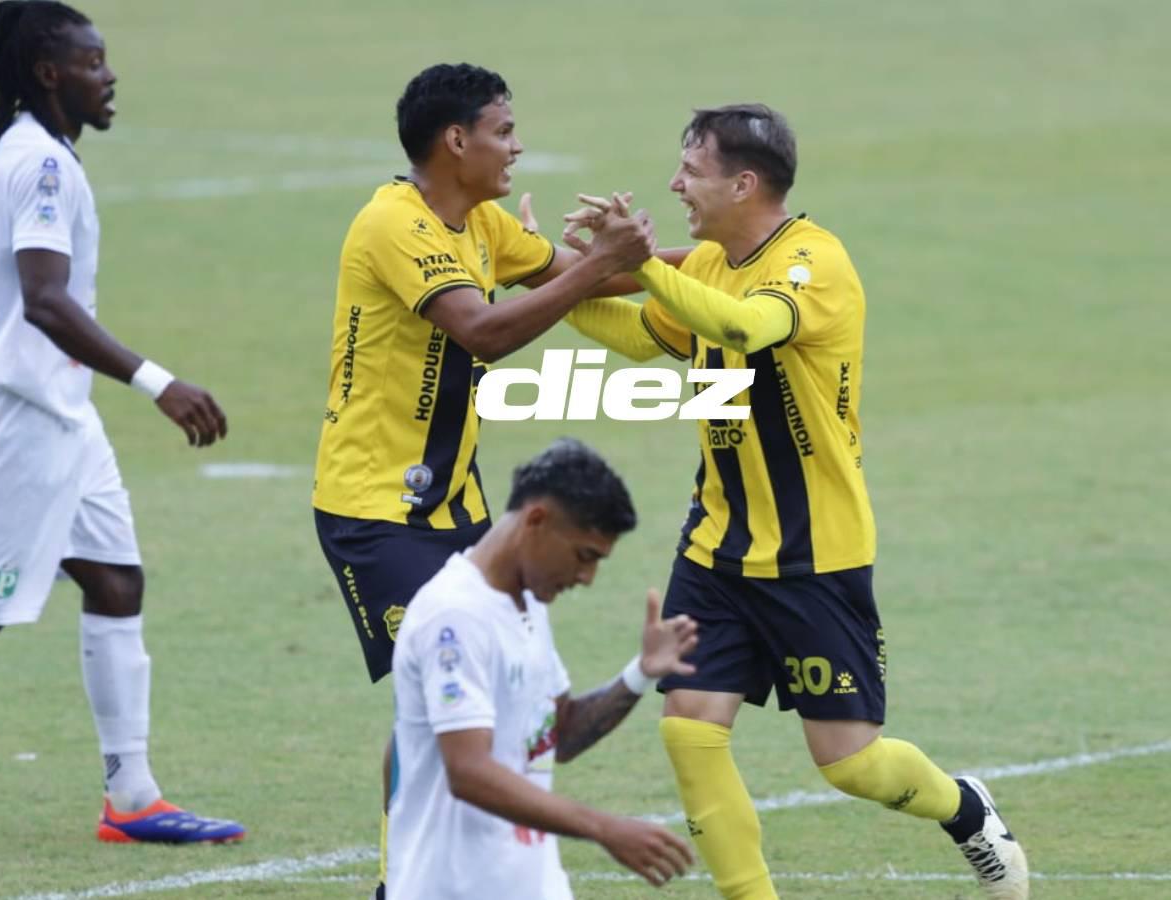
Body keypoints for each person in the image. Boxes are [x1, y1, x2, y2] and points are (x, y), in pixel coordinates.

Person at [561, 105, 1029, 899]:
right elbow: (643, 335)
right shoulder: (709, 263)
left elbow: (748, 327)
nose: (674, 184)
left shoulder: (816, 263)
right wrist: (548, 287)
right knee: (689, 731)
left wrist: (640, 261)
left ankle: (965, 808)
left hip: (816, 553)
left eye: (691, 170)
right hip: (716, 546)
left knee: (850, 763)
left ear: (744, 184)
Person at [310, 62, 684, 892]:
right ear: (456, 140)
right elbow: (481, 331)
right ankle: (402, 881)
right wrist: (598, 262)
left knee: (472, 701)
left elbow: (602, 275)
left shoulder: (479, 222)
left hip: (454, 502)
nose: (516, 147)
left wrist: (734, 256)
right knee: (433, 703)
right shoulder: (394, 224)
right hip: (376, 509)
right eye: (503, 131)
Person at [0, 1, 243, 844]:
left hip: (63, 414)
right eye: (92, 62)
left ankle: (132, 798)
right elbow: (45, 301)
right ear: (49, 72)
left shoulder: (26, 149)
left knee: (116, 580)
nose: (109, 74)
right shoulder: (40, 166)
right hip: (18, 417)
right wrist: (158, 382)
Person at [389, 438, 698, 899]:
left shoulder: (526, 603)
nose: (587, 578)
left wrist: (641, 673)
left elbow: (558, 734)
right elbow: (468, 770)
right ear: (536, 521)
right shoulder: (454, 616)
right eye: (584, 556)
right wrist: (603, 827)